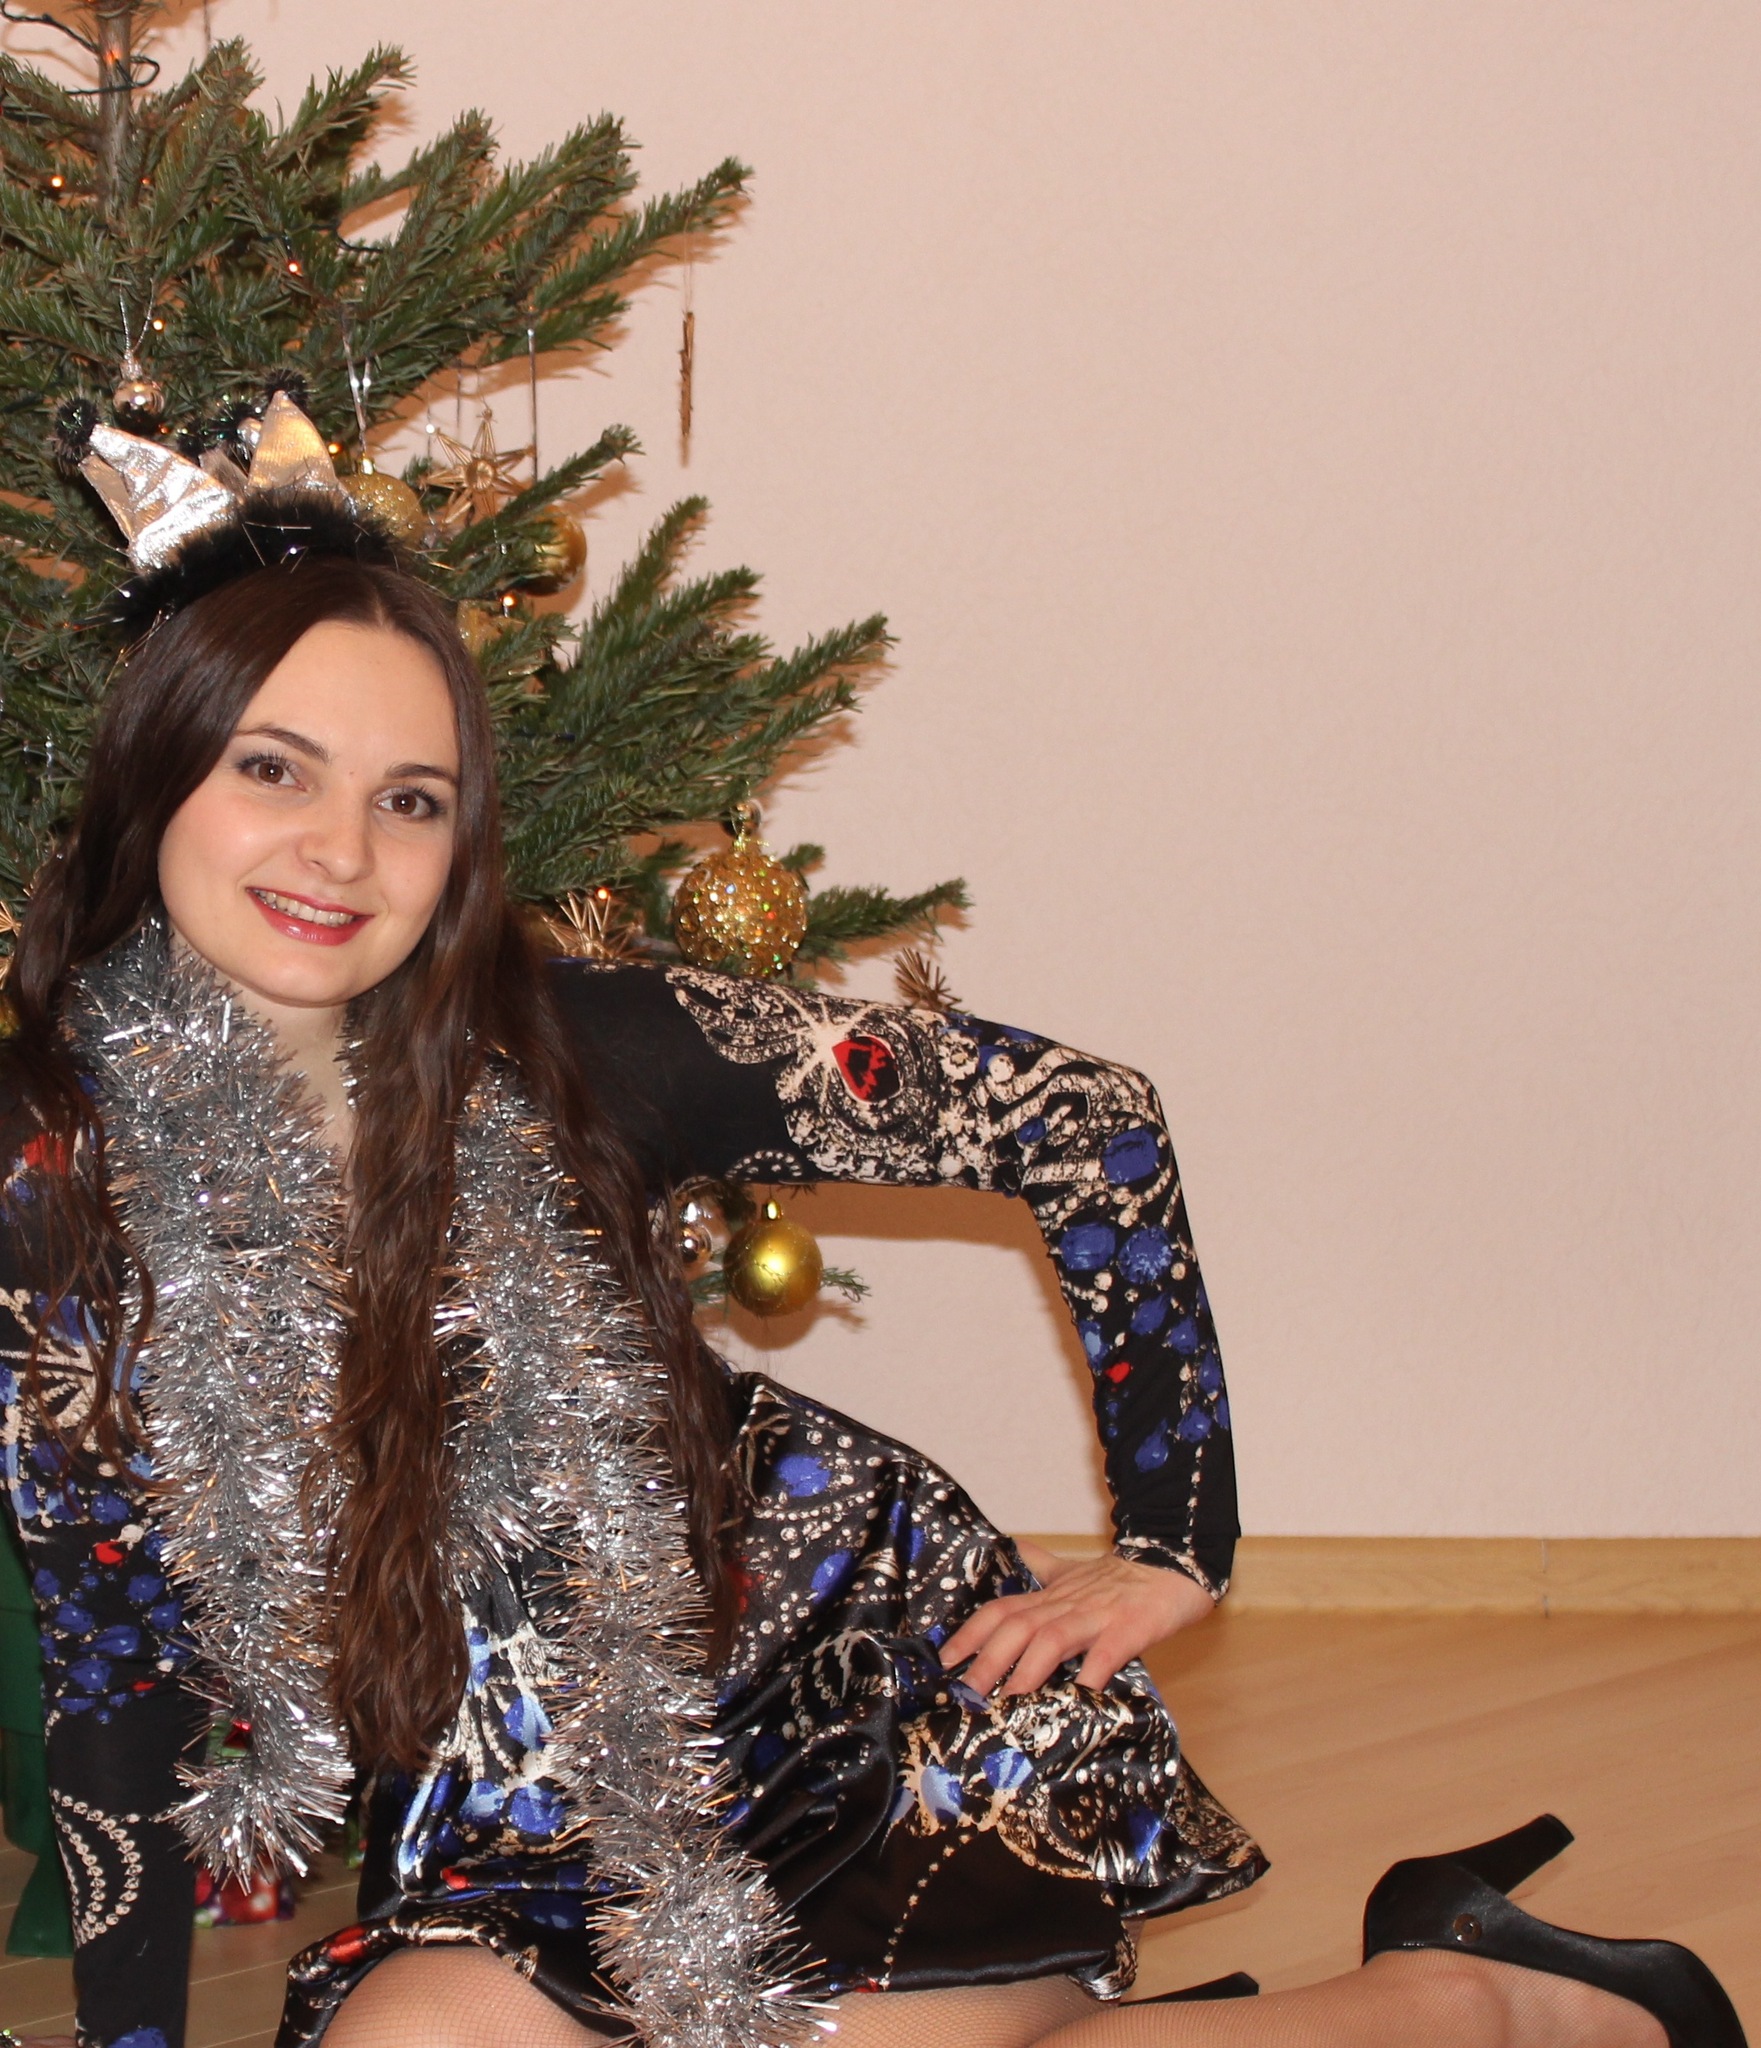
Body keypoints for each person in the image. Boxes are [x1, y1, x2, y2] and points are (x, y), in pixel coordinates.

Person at [0, 400, 1741, 2048]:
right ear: (161, 774)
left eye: (411, 799)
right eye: (274, 768)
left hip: (846, 1691)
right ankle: (1418, 1977)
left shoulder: (583, 1046)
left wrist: (1173, 1537)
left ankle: (1493, 2007)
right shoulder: (43, 1176)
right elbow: (115, 1686)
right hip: (502, 1808)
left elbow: (1078, 1120)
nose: (340, 851)